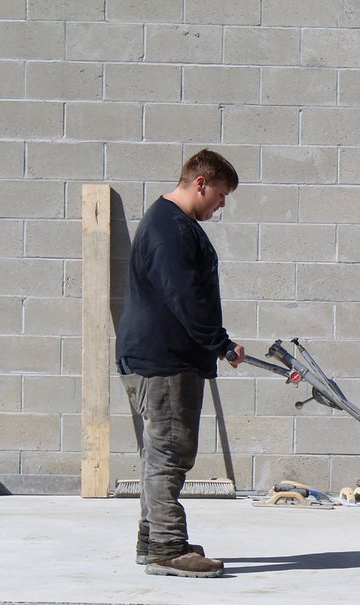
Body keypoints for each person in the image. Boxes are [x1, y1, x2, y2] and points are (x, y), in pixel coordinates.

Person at [116, 149, 243, 578]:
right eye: (221, 195)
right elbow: (185, 296)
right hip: (166, 361)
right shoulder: (171, 229)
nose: (221, 205)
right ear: (201, 183)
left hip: (156, 357)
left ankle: (153, 538)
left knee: (156, 454)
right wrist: (221, 343)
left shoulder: (166, 222)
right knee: (170, 454)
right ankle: (167, 549)